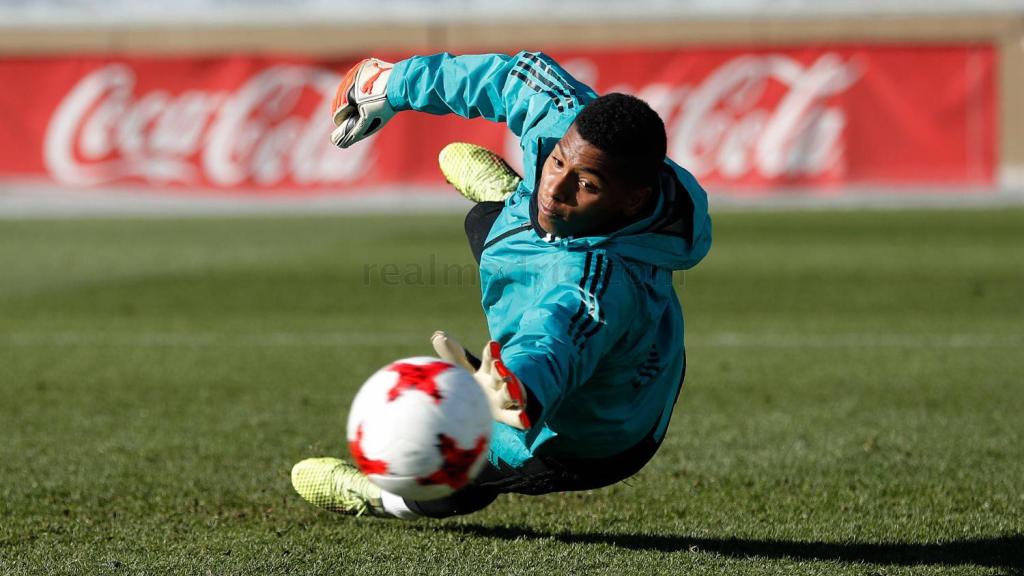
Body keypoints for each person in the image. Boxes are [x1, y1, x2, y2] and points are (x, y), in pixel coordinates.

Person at [291, 52, 712, 519]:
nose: (555, 188)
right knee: (496, 225)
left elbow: (558, 336)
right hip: (573, 292)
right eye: (554, 162)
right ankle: (505, 200)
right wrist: (390, 83)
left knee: (448, 451)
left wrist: (518, 389)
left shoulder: (601, 284)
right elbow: (510, 74)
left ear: (634, 200)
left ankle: (381, 499)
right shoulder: (567, 117)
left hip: (594, 433)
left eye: (586, 184)